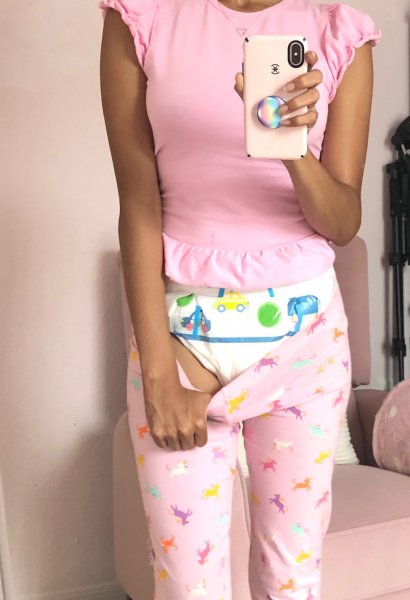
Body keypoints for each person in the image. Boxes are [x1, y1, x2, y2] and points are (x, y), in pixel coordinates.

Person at [98, 0, 381, 597]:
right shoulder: (143, 18)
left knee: (292, 580)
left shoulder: (338, 32)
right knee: (187, 586)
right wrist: (157, 374)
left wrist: (290, 147)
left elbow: (342, 222)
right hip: (183, 343)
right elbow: (137, 203)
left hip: (304, 347)